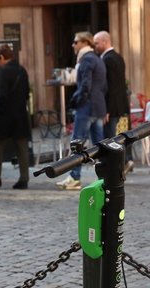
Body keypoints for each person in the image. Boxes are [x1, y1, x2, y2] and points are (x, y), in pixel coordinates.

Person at [55, 31, 106, 191]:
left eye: (76, 42)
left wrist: (75, 100)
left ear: (85, 42)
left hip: (87, 106)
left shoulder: (87, 60)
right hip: (98, 106)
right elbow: (103, 86)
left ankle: (74, 178)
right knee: (101, 145)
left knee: (77, 142)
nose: (73, 45)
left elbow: (85, 85)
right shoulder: (97, 59)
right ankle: (106, 176)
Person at [0, 45, 30, 190]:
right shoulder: (22, 70)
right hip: (21, 115)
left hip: (5, 115)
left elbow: (1, 96)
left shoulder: (4, 72)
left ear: (2, 57)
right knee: (22, 148)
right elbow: (26, 93)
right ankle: (24, 179)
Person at [94, 30, 133, 169]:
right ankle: (126, 160)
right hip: (120, 105)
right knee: (121, 135)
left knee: (111, 138)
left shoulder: (108, 59)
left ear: (105, 42)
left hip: (113, 107)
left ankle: (121, 163)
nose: (95, 46)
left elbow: (111, 87)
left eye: (97, 43)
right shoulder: (117, 57)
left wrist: (107, 110)